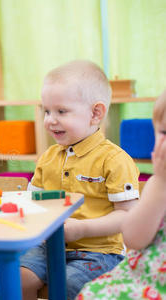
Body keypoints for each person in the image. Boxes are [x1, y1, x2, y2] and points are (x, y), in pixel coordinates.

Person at [20, 60, 140, 300]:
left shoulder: (114, 160)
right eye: (47, 111)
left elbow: (128, 216)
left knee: (67, 285)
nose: (50, 120)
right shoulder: (48, 157)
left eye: (61, 111)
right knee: (17, 276)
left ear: (96, 113)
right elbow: (33, 203)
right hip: (48, 245)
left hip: (100, 252)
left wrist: (81, 229)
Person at [77, 90, 166, 299]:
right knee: (91, 293)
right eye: (164, 133)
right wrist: (161, 184)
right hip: (143, 278)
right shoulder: (157, 185)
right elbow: (133, 239)